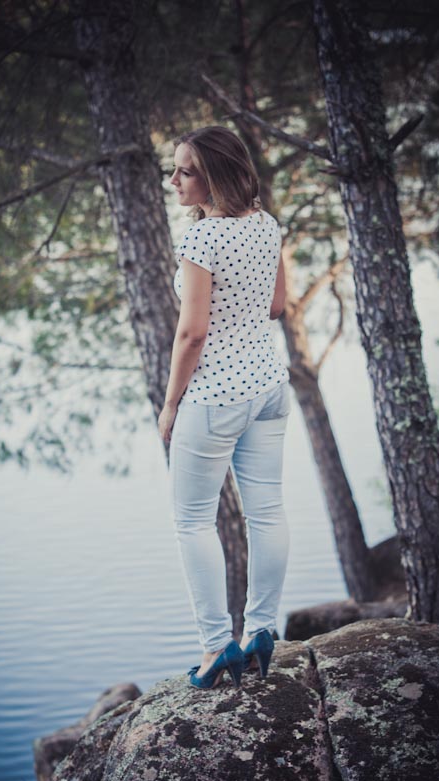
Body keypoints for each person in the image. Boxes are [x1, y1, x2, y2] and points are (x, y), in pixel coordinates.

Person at [158, 125, 291, 691]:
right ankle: (261, 631)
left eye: (185, 170)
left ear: (212, 176)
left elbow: (191, 333)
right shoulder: (267, 225)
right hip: (269, 387)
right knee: (267, 512)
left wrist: (169, 407)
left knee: (192, 521)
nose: (174, 180)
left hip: (214, 398)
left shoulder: (201, 241)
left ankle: (217, 647)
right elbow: (278, 305)